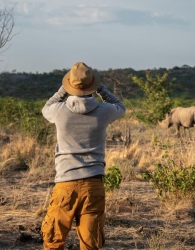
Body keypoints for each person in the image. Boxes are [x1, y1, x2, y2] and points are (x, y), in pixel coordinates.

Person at [41, 62, 126, 249]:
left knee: (53, 241)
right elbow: (120, 106)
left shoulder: (59, 111)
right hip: (93, 185)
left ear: (70, 85)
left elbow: (46, 107)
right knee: (90, 243)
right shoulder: (104, 111)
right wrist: (101, 89)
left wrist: (63, 90)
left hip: (65, 184)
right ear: (92, 86)